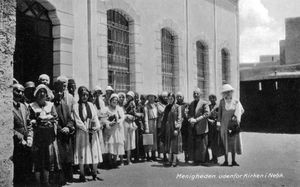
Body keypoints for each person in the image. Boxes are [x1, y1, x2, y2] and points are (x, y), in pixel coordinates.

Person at [29, 84, 61, 186]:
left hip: (48, 137)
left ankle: (46, 181)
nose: (42, 95)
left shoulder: (50, 105)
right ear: (36, 95)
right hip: (37, 137)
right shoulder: (31, 106)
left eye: (44, 93)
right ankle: (37, 182)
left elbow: (56, 118)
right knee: (37, 159)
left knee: (47, 159)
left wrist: (51, 121)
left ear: (47, 95)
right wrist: (36, 121)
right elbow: (29, 120)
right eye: (39, 93)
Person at [73, 86, 102, 181]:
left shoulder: (91, 105)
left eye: (86, 95)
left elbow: (95, 118)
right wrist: (86, 128)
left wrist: (96, 127)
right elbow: (77, 120)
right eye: (83, 95)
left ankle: (94, 172)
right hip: (82, 133)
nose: (85, 97)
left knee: (94, 151)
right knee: (82, 152)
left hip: (92, 132)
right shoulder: (76, 106)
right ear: (79, 95)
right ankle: (82, 174)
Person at [53, 81, 75, 184]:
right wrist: (60, 129)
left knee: (67, 158)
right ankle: (60, 180)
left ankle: (68, 178)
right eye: (57, 92)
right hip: (57, 135)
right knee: (59, 159)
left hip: (66, 135)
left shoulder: (65, 105)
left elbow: (70, 119)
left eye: (61, 92)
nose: (59, 94)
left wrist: (68, 127)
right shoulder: (51, 105)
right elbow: (53, 120)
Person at [217, 84, 244, 166]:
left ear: (232, 92)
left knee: (233, 143)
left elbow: (241, 110)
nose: (228, 93)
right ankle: (225, 161)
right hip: (224, 126)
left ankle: (233, 161)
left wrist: (236, 118)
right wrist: (218, 125)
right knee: (225, 143)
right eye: (226, 92)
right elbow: (219, 115)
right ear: (223, 93)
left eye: (229, 92)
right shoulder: (222, 102)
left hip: (233, 126)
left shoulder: (236, 101)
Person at [12, 84, 34, 187]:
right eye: (17, 91)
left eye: (22, 91)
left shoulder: (24, 106)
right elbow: (9, 128)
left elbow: (29, 124)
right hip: (16, 144)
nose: (20, 93)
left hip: (27, 144)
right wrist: (21, 139)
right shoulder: (8, 107)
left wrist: (30, 137)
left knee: (27, 171)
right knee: (18, 173)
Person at [101, 93, 125, 169]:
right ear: (110, 100)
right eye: (113, 100)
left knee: (116, 144)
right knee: (110, 144)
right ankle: (109, 161)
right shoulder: (106, 109)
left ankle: (115, 160)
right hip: (109, 129)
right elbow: (103, 119)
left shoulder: (119, 109)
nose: (115, 101)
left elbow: (123, 117)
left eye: (116, 100)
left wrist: (119, 121)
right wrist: (109, 123)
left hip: (117, 129)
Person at [188, 88, 210, 165]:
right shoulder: (191, 104)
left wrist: (196, 120)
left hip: (202, 127)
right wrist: (190, 119)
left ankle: (204, 161)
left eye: (197, 93)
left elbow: (207, 114)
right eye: (194, 93)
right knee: (196, 144)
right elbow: (189, 114)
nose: (196, 95)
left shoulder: (204, 103)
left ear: (200, 94)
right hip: (194, 127)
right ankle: (197, 160)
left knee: (203, 145)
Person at [160, 93, 182, 167]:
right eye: (169, 98)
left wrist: (177, 128)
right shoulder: (167, 107)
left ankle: (174, 161)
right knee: (169, 144)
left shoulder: (177, 107)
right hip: (168, 128)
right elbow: (164, 118)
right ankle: (169, 160)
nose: (170, 100)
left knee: (175, 144)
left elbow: (179, 118)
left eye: (171, 98)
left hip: (175, 128)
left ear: (174, 99)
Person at [207, 94, 223, 165]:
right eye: (210, 98)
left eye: (213, 98)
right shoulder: (208, 106)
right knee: (211, 142)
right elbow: (207, 114)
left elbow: (220, 115)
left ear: (215, 99)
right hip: (210, 126)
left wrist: (216, 120)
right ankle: (212, 158)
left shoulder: (218, 106)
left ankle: (215, 158)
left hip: (216, 126)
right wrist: (209, 120)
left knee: (216, 142)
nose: (212, 99)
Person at [124, 91, 138, 165]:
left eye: (129, 96)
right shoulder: (125, 103)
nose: (128, 97)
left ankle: (129, 159)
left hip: (130, 122)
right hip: (125, 122)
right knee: (126, 142)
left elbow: (133, 113)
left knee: (129, 142)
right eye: (127, 96)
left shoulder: (132, 103)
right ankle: (127, 159)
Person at [144, 92, 158, 161]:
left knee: (154, 139)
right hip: (149, 122)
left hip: (155, 122)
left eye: (153, 96)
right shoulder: (146, 106)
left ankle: (153, 155)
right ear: (148, 98)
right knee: (148, 138)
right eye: (150, 96)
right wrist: (146, 127)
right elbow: (145, 117)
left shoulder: (155, 105)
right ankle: (148, 156)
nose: (151, 98)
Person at [176, 92, 190, 163]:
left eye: (180, 96)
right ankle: (176, 157)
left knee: (185, 141)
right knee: (177, 141)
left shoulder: (186, 105)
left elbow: (188, 114)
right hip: (177, 125)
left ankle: (186, 156)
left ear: (183, 97)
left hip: (185, 125)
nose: (179, 98)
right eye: (177, 97)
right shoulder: (175, 105)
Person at [133, 94, 146, 162]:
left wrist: (137, 114)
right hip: (133, 124)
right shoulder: (131, 105)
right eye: (135, 98)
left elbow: (143, 115)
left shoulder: (140, 105)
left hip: (139, 124)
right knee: (134, 141)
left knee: (140, 141)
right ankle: (135, 156)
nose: (136, 99)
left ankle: (142, 156)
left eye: (137, 98)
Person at [157, 91, 168, 161]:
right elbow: (162, 111)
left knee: (167, 140)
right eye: (164, 97)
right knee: (162, 140)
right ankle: (163, 155)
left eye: (166, 97)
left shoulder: (169, 103)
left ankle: (168, 154)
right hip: (161, 124)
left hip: (168, 124)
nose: (165, 98)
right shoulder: (159, 104)